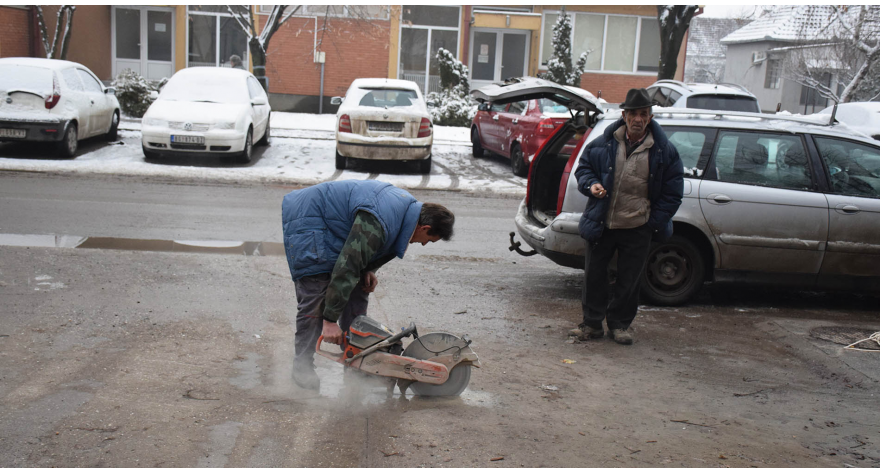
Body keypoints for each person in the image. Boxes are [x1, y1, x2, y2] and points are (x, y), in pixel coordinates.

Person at [281, 180, 455, 390]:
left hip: (335, 223)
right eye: (428, 240)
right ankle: (302, 367)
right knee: (315, 293)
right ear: (424, 227)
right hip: (309, 217)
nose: (423, 244)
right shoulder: (380, 220)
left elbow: (363, 250)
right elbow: (349, 264)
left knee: (359, 287)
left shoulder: (404, 214)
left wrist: (368, 270)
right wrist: (329, 320)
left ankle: (356, 361)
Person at [569, 88, 684, 345]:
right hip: (603, 221)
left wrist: (651, 223)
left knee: (629, 280)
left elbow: (673, 192)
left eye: (643, 113)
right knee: (594, 276)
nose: (638, 119)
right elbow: (584, 168)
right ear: (624, 115)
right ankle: (592, 324)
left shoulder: (665, 152)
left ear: (650, 116)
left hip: (637, 225)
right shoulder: (604, 142)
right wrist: (592, 185)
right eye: (633, 113)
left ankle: (620, 325)